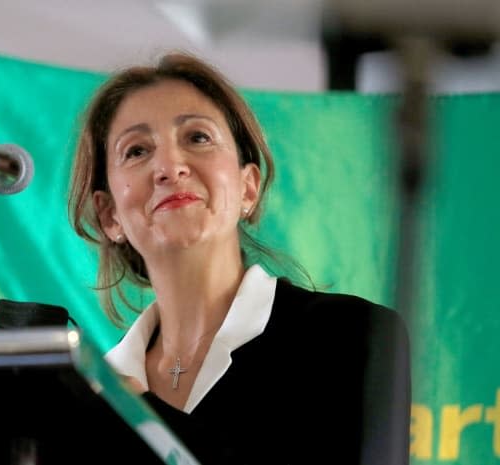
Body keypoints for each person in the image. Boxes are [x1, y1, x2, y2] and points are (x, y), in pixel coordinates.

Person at [68, 52, 411, 465]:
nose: (169, 166)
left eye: (197, 137)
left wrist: (143, 419)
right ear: (109, 215)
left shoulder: (354, 337)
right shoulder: (91, 396)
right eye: (137, 150)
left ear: (248, 188)